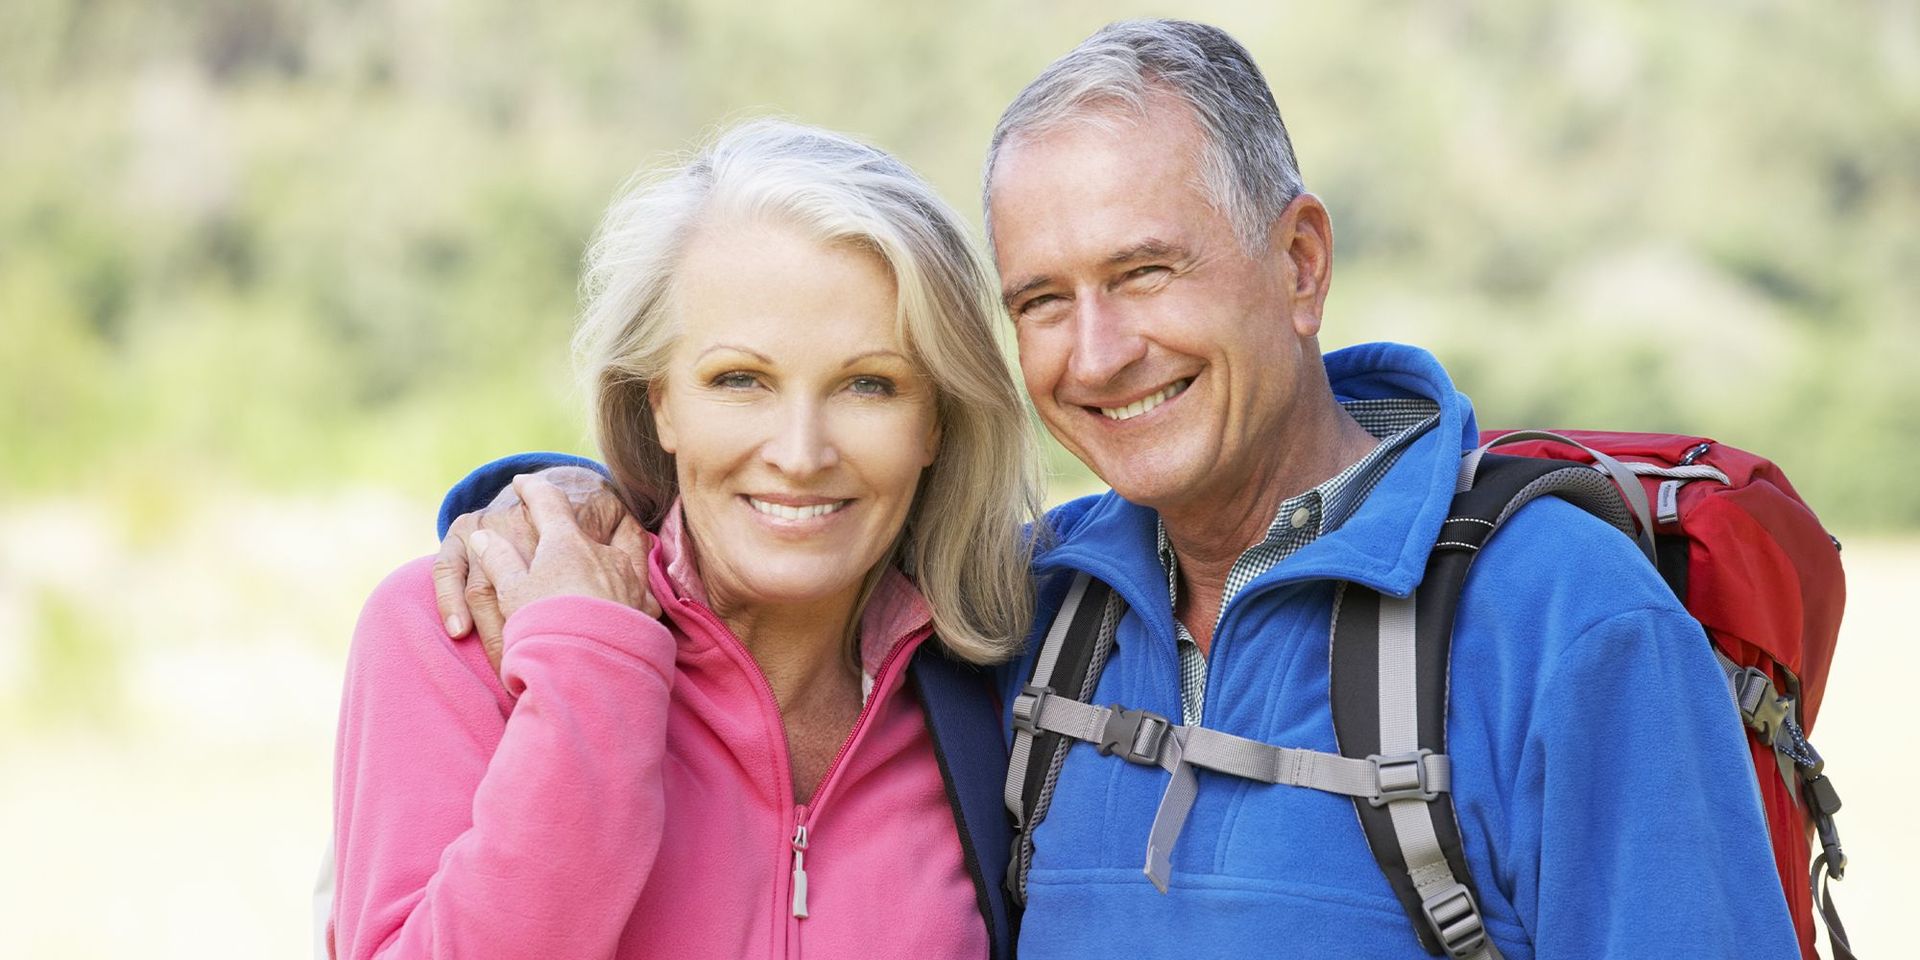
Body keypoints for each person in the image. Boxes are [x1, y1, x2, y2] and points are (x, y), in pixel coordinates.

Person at [435, 19, 1802, 960]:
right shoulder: (1029, 609)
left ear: (1300, 263)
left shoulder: (1560, 623)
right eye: (1042, 299)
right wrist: (553, 503)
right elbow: (777, 508)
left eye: (1147, 274)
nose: (1098, 354)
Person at [327, 119, 1038, 960]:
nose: (801, 453)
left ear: (938, 422)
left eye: (868, 384)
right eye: (740, 379)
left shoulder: (1010, 677)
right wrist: (592, 676)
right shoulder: (453, 633)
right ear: (658, 400)